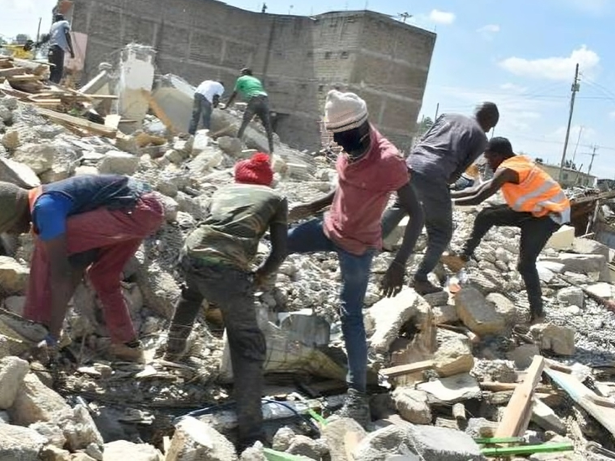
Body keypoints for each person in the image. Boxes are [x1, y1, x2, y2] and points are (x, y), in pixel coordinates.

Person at [287, 90, 424, 425]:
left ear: (362, 128)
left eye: (344, 138)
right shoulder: (348, 147)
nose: (340, 145)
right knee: (283, 243)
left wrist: (398, 264)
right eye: (336, 138)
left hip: (358, 246)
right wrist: (313, 206)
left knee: (350, 316)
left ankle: (357, 396)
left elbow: (415, 212)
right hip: (328, 226)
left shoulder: (389, 161)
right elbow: (347, 183)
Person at [162, 152, 288, 452]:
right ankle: (251, 434)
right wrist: (260, 277)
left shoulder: (224, 190)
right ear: (267, 181)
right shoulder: (276, 198)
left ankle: (172, 351)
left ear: (239, 177)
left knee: (192, 294)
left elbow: (223, 223)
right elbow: (281, 250)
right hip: (228, 272)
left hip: (190, 254)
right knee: (247, 345)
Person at [0, 175, 164, 361]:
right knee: (102, 276)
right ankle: (127, 346)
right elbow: (80, 255)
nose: (11, 233)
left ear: (16, 212)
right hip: (143, 209)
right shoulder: (47, 198)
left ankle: (36, 325)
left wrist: (53, 333)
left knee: (45, 244)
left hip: (135, 207)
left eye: (8, 227)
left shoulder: (45, 207)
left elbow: (61, 274)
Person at [442, 137, 570, 324]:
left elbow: (479, 197)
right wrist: (447, 193)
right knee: (487, 215)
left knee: (525, 265)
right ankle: (462, 258)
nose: (487, 164)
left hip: (548, 215)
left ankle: (538, 314)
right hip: (532, 211)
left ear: (497, 155)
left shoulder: (509, 169)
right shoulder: (513, 164)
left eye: (489, 159)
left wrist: (447, 202)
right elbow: (477, 190)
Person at [381, 102, 500, 295]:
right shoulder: (480, 138)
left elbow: (423, 141)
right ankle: (419, 278)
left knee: (400, 206)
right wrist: (440, 191)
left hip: (410, 165)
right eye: (491, 125)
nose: (489, 129)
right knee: (441, 233)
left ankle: (361, 249)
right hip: (434, 174)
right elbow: (456, 173)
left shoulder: (447, 116)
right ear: (489, 121)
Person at [223, 68, 275, 154]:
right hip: (264, 99)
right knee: (267, 125)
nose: (240, 74)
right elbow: (259, 95)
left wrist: (226, 105)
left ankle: (236, 143)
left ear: (245, 73)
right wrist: (257, 115)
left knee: (244, 122)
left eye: (241, 73)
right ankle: (271, 149)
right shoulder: (256, 80)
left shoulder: (241, 79)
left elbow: (234, 93)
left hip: (254, 99)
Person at [39, 14, 75, 84]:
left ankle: (49, 85)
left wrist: (40, 43)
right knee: (58, 70)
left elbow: (47, 37)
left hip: (51, 49)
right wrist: (71, 51)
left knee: (52, 71)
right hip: (58, 49)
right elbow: (67, 34)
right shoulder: (65, 23)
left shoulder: (53, 26)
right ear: (62, 18)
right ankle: (53, 87)